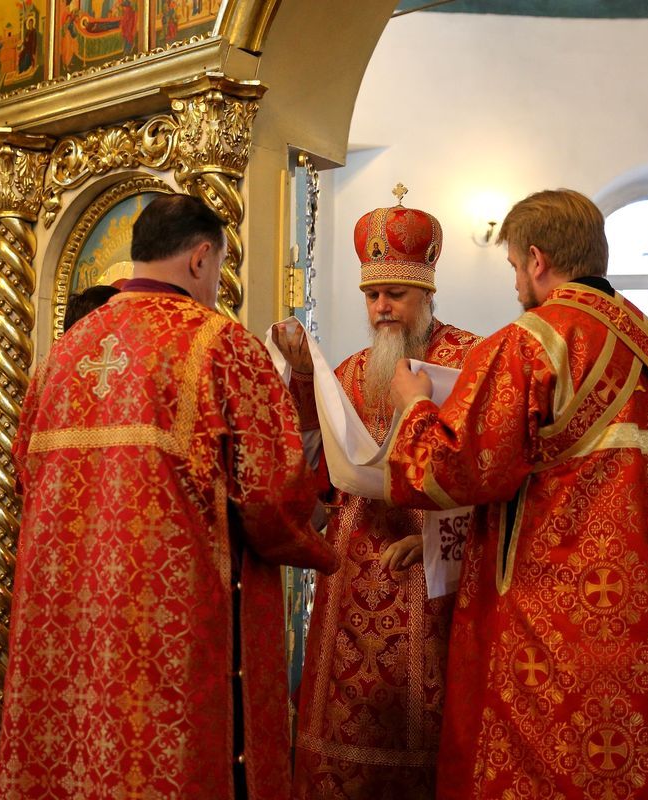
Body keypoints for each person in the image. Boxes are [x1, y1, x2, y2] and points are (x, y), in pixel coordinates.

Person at [0, 194, 339, 800]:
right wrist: (325, 535)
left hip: (67, 627)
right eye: (220, 269)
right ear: (201, 258)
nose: (216, 285)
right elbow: (271, 498)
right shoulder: (221, 344)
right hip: (170, 632)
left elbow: (25, 476)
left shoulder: (62, 355)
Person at [387, 189, 648, 799]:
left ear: (537, 260)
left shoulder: (532, 344)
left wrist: (415, 407)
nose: (516, 282)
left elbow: (448, 472)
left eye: (515, 266)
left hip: (552, 623)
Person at [273, 190, 480, 800]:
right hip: (353, 575)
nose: (382, 308)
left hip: (432, 574)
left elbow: (483, 469)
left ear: (427, 294)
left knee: (427, 726)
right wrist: (303, 379)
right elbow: (320, 467)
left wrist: (437, 540)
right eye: (373, 296)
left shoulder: (471, 361)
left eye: (396, 294)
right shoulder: (351, 370)